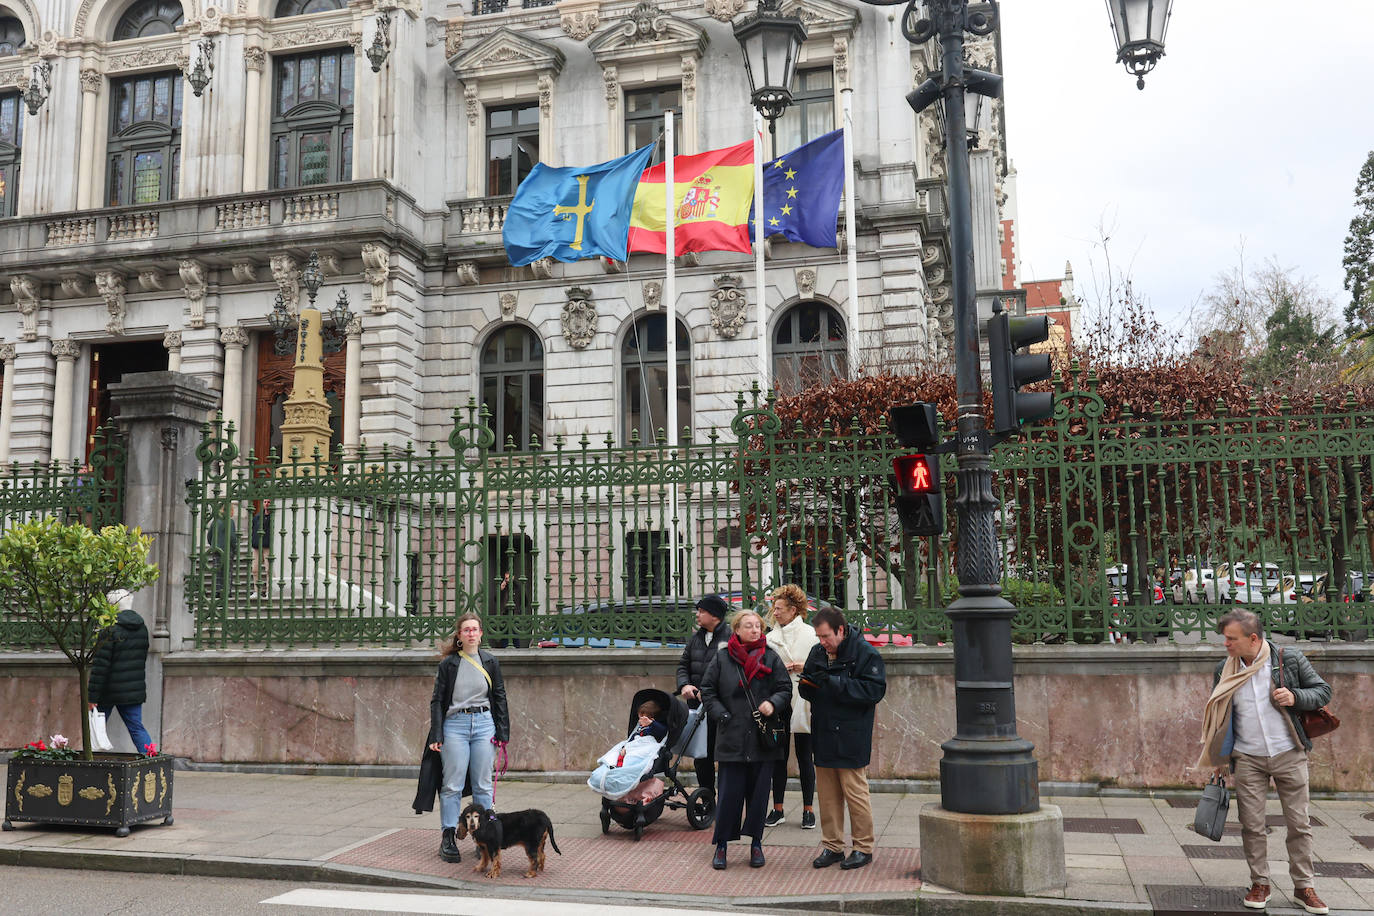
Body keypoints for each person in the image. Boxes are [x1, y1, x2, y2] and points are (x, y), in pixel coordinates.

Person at [1197, 609, 1332, 915]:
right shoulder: (1224, 669)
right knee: (1252, 825)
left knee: (1299, 823)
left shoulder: (1288, 659)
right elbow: (1220, 715)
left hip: (1289, 753)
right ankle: (1260, 883)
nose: (1226, 644)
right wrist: (1219, 756)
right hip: (1247, 758)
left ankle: (1304, 887)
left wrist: (1295, 697)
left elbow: (1324, 691)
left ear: (1253, 639)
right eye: (1225, 638)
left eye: (1232, 639)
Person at [701, 609, 792, 870]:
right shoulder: (721, 659)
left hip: (762, 740)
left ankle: (756, 843)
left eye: (758, 626)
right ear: (737, 630)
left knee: (759, 795)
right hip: (731, 735)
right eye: (749, 626)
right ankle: (721, 845)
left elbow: (785, 688)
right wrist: (721, 714)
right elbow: (708, 690)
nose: (755, 630)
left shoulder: (772, 657)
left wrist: (773, 703)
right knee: (729, 795)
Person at [799, 605, 886, 871]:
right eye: (819, 637)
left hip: (851, 732)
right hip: (824, 729)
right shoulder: (818, 652)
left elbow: (874, 691)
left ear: (841, 630)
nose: (822, 642)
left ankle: (863, 848)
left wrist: (834, 683)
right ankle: (832, 846)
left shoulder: (866, 653)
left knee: (855, 793)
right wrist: (808, 685)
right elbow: (810, 686)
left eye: (826, 636)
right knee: (826, 795)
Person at [428, 612, 510, 864]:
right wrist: (437, 733)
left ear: (481, 634)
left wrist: (502, 732)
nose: (471, 633)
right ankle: (449, 835)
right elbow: (438, 700)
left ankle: (485, 836)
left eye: (475, 629)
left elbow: (499, 697)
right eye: (467, 630)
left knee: (483, 785)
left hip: (484, 724)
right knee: (451, 784)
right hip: (456, 725)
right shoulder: (449, 664)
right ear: (460, 635)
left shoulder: (490, 661)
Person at [763, 584, 819, 830]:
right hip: (779, 701)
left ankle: (808, 809)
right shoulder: (769, 638)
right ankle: (778, 808)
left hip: (804, 700)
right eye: (774, 608)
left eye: (779, 609)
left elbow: (821, 665)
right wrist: (776, 672)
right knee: (778, 756)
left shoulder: (811, 634)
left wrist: (803, 667)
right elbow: (761, 668)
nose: (774, 613)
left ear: (793, 610)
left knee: (806, 756)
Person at [676, 594, 732, 797]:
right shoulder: (695, 639)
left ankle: (727, 798)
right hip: (696, 708)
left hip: (721, 708)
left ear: (715, 616)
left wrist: (710, 693)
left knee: (725, 755)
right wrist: (684, 684)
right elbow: (683, 665)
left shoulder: (730, 638)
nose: (697, 615)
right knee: (701, 755)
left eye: (701, 611)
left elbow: (732, 673)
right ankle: (707, 797)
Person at [87, 598, 153, 754]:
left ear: (113, 606)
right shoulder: (142, 629)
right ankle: (152, 763)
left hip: (108, 691)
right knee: (136, 727)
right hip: (133, 690)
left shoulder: (109, 631)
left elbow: (100, 667)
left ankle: (90, 763)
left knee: (96, 729)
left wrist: (92, 697)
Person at [205, 503, 238, 599]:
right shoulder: (230, 522)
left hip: (216, 550)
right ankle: (227, 591)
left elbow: (209, 536)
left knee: (217, 571)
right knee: (227, 571)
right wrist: (235, 548)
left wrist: (214, 544)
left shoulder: (215, 521)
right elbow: (232, 537)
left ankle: (217, 591)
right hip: (227, 551)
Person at [249, 499, 272, 597]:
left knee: (268, 569)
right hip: (257, 546)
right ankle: (257, 591)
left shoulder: (274, 516)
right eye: (265, 502)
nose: (266, 504)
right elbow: (253, 529)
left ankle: (268, 591)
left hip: (267, 546)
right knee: (255, 569)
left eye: (268, 502)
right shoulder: (257, 516)